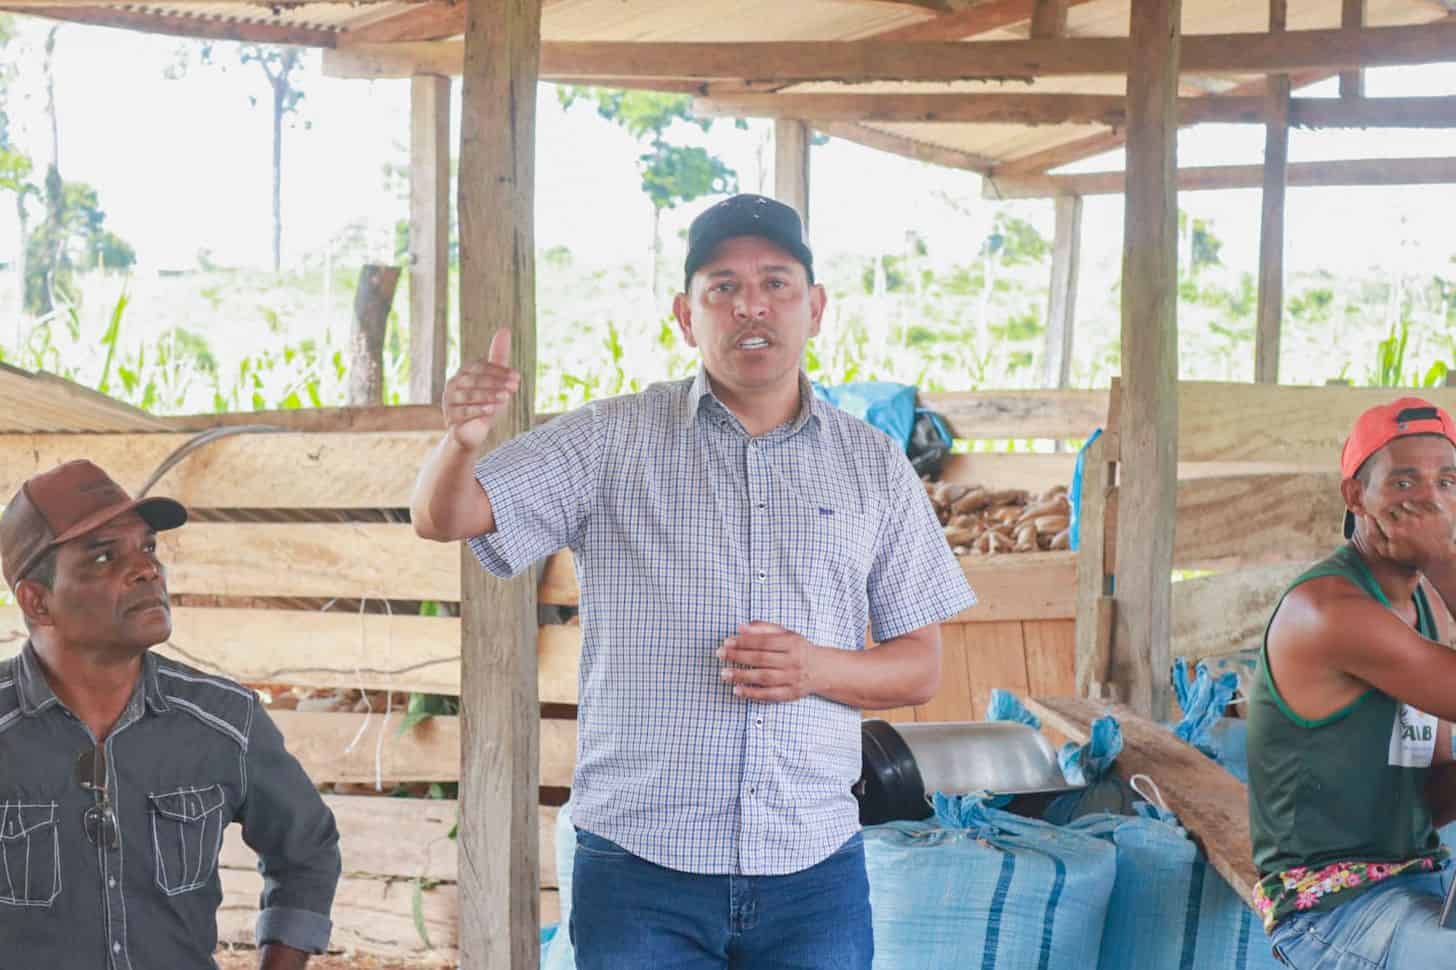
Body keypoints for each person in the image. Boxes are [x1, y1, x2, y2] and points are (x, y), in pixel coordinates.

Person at [412, 193, 976, 968]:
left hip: (813, 872)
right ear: (685, 316)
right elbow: (444, 516)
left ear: (814, 308)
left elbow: (920, 666)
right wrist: (460, 442)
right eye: (724, 287)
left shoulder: (873, 463)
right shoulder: (611, 439)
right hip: (639, 871)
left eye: (776, 283)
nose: (752, 306)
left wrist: (814, 668)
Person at [0, 460, 341, 970]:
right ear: (36, 600)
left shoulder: (224, 720)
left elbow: (307, 851)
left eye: (148, 548)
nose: (146, 569)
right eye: (103, 556)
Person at [1247, 397, 1456, 968]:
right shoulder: (1327, 609)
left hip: (1418, 880)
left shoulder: (1424, 608)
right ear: (1356, 496)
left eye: (1447, 482)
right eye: (1405, 482)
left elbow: (1430, 791)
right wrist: (1443, 559)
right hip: (1331, 910)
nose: (1432, 500)